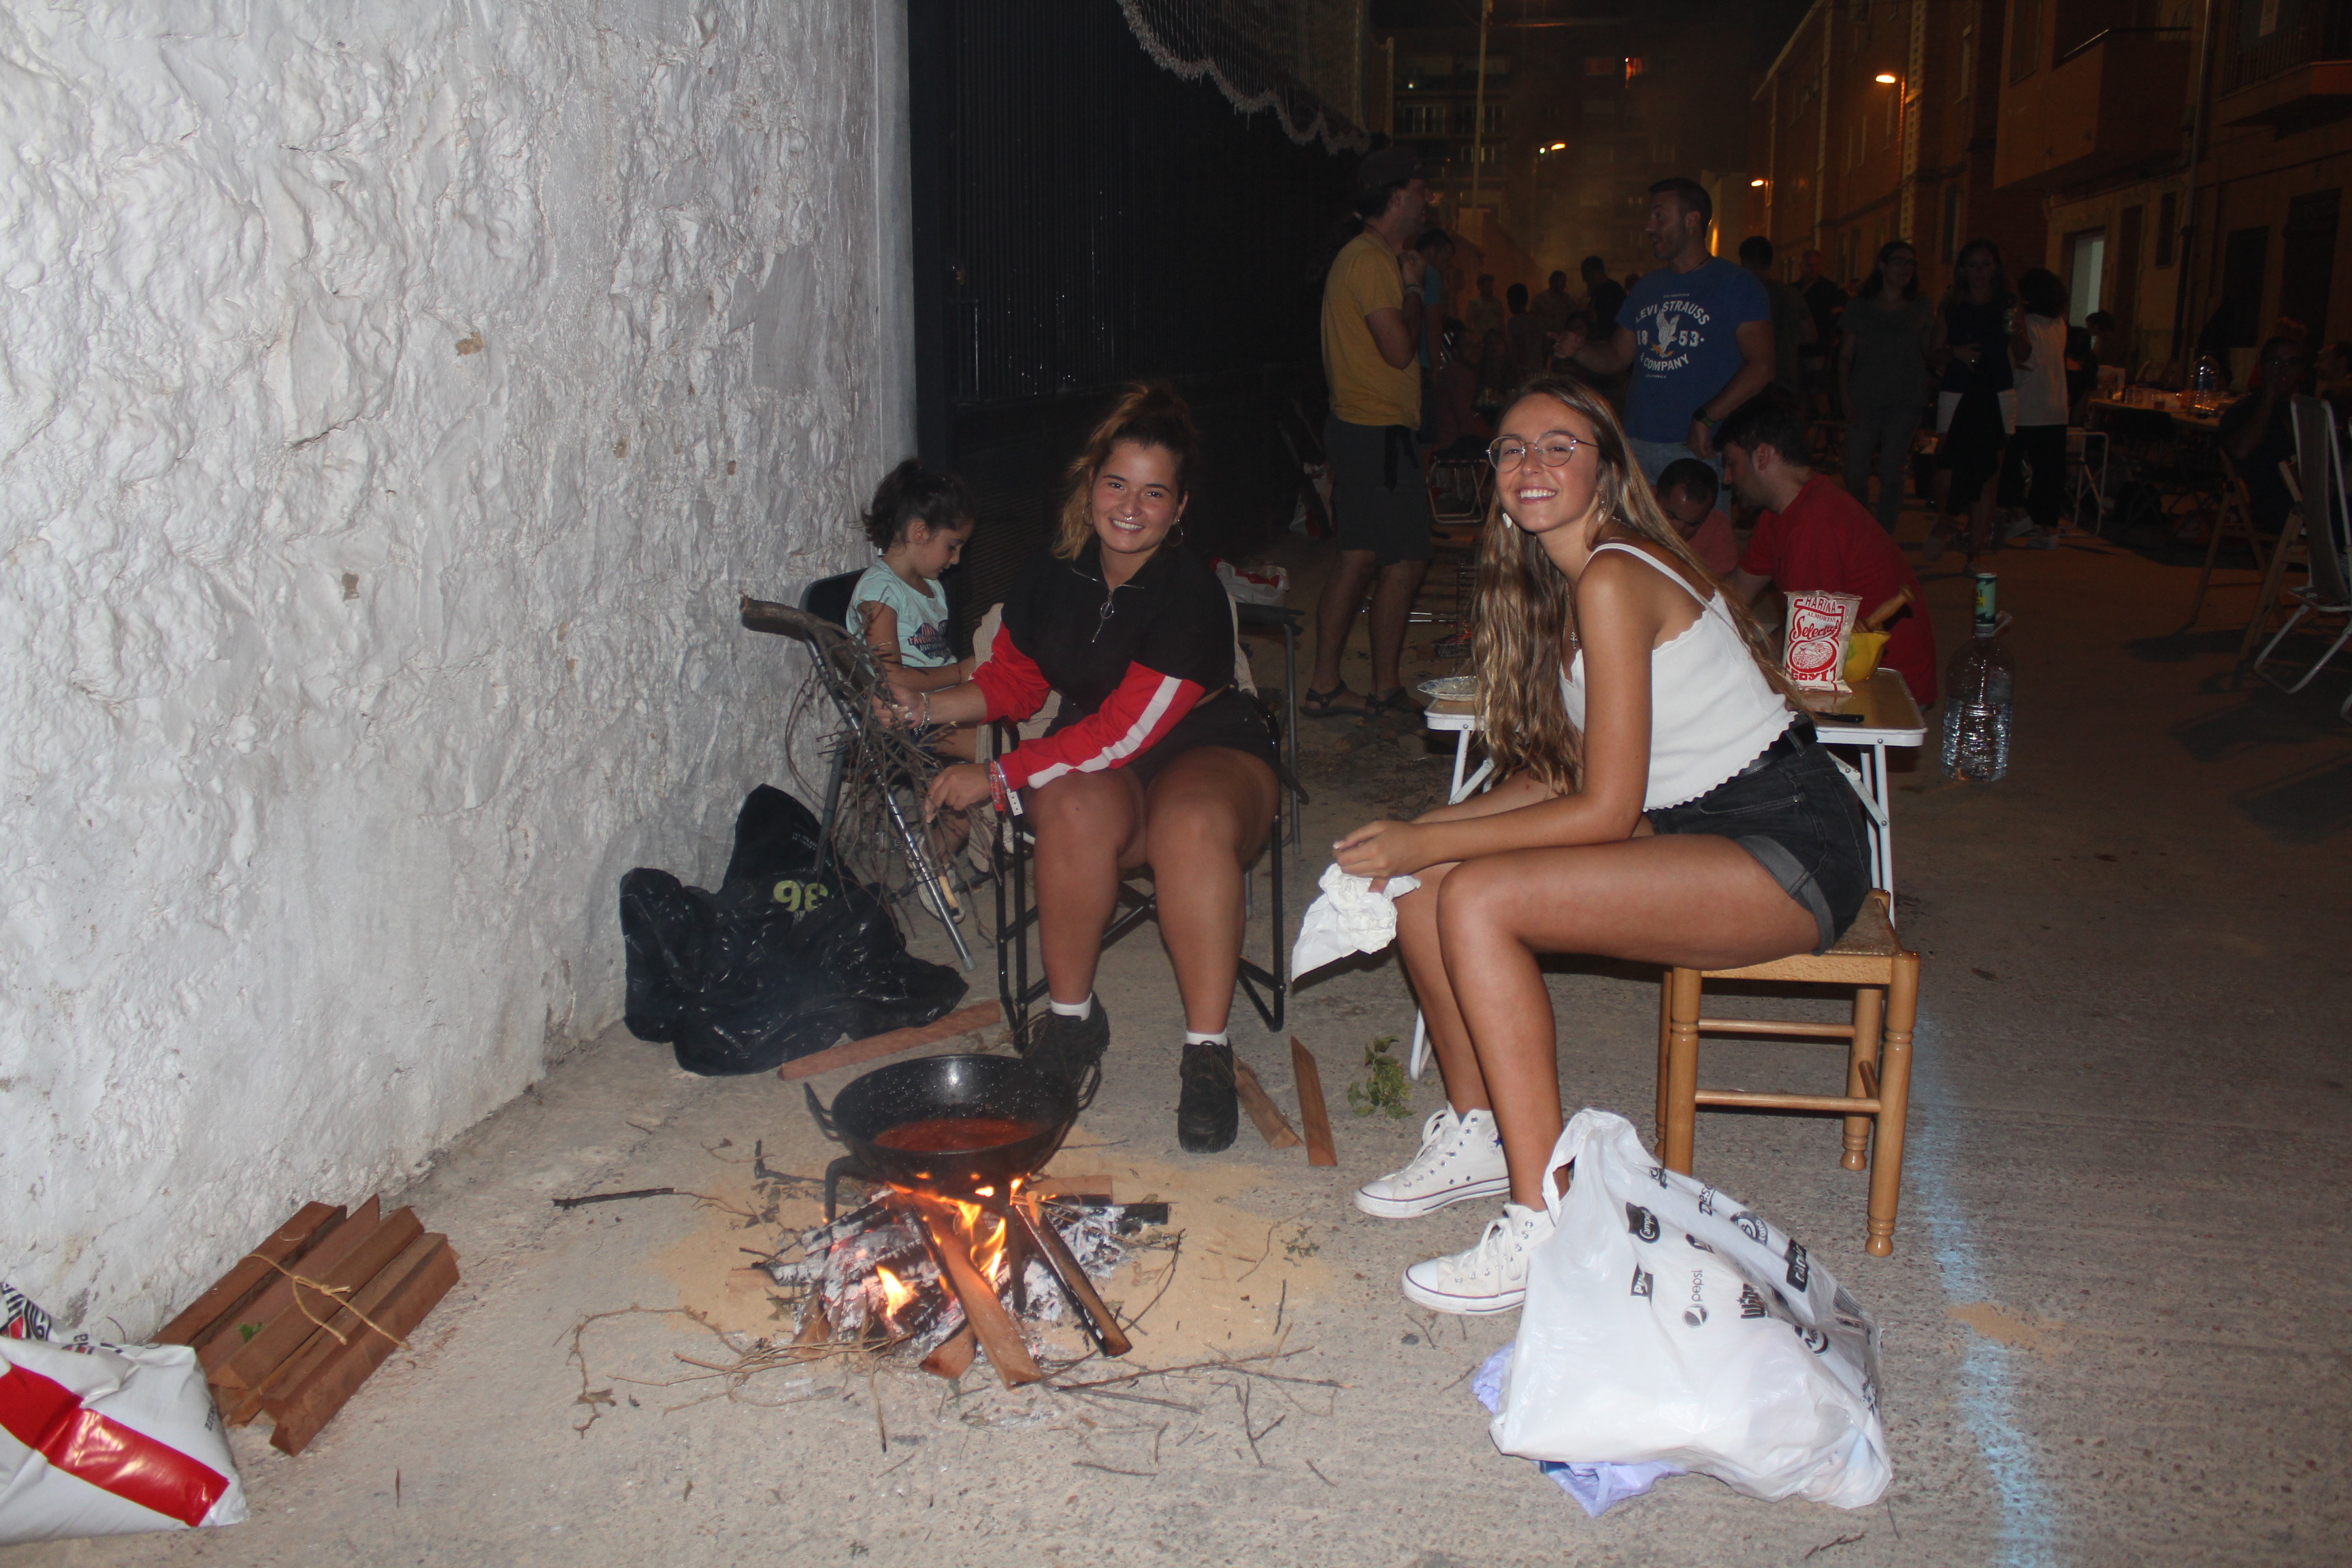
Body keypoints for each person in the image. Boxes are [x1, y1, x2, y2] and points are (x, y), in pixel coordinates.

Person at [1332, 375, 1870, 1311]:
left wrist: (1424, 844)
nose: (1530, 464)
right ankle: (1480, 1129)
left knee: (1478, 898)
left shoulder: (1616, 576)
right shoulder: (1572, 582)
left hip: (1788, 837)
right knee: (1429, 886)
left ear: (1607, 470)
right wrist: (1419, 837)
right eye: (1511, 448)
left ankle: (1545, 1215)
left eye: (1559, 446)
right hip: (1696, 822)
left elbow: (1605, 811)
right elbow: (1563, 776)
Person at [911, 385, 1281, 1153]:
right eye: (1117, 484)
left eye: (1154, 493)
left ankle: (1207, 1050)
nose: (1130, 507)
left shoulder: (1189, 593)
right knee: (1072, 806)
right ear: (1090, 486)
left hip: (1209, 749)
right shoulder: (1056, 574)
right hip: (1105, 760)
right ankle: (1072, 1023)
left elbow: (1123, 731)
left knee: (1190, 824)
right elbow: (1013, 683)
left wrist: (999, 776)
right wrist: (924, 710)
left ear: (1179, 508)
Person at [1309, 146, 1436, 724]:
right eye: (1421, 190)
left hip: (1362, 430)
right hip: (1376, 432)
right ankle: (1385, 690)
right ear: (1397, 196)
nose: (1428, 201)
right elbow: (1399, 349)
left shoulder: (1365, 255)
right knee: (1405, 560)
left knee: (1358, 556)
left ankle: (1325, 688)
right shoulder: (1370, 260)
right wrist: (1414, 289)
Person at [1720, 388, 1939, 705]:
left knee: (1738, 699)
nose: (1727, 478)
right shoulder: (1780, 512)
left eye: (1732, 464)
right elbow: (1734, 595)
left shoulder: (1815, 522)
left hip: (1888, 684)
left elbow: (1806, 647)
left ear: (1763, 456)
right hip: (1839, 660)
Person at [1560, 178, 1775, 485]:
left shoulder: (1737, 285)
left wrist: (1707, 417)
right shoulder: (1647, 287)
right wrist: (1579, 349)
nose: (1649, 227)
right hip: (1637, 444)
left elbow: (1762, 366)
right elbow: (1617, 356)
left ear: (1692, 221)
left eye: (1660, 216)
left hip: (1698, 448)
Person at [849, 459, 981, 760]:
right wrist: (960, 673)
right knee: (994, 744)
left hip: (939, 703)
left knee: (1019, 717)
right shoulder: (879, 592)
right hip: (904, 718)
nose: (957, 559)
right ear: (919, 532)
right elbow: (890, 678)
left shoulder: (931, 587)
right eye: (952, 546)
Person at [1923, 238, 2016, 563]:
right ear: (1963, 269)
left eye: (1986, 264)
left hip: (1998, 389)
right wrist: (1955, 353)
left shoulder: (2007, 302)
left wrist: (2019, 332)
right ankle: (1945, 519)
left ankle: (1974, 555)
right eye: (1973, 265)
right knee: (1947, 465)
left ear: (1996, 267)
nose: (1980, 272)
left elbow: (2024, 351)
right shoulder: (1953, 302)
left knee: (1989, 473)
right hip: (1959, 387)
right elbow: (1934, 351)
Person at [1838, 240, 1935, 534]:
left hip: (1905, 399)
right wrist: (1844, 395)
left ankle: (1884, 536)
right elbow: (1845, 356)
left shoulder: (1919, 307)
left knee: (1892, 471)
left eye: (1911, 263)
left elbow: (1929, 350)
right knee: (1855, 471)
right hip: (1865, 397)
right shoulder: (1861, 307)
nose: (1906, 268)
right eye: (1899, 261)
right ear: (1883, 265)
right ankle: (1863, 528)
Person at [1995, 267, 2073, 550]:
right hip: (2056, 407)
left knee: (2007, 464)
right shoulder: (2059, 325)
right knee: (2049, 472)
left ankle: (2019, 512)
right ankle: (2049, 529)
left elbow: (2025, 364)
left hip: (2025, 406)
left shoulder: (2026, 325)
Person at [2219, 336, 2310, 538]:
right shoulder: (2243, 411)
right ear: (2262, 367)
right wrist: (2269, 398)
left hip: (2311, 497)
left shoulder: (2304, 411)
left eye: (2292, 363)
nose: (2283, 370)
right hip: (2275, 503)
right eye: (2276, 362)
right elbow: (2241, 450)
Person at [1738, 235, 1814, 394]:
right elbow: (1810, 336)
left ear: (1746, 262)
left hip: (1748, 383)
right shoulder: (1792, 294)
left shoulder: (1741, 295)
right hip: (1786, 380)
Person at [1654, 457, 1740, 576]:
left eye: (1693, 524)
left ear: (1707, 515)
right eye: (1671, 516)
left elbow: (1721, 584)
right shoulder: (1632, 513)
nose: (1679, 531)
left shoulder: (1717, 527)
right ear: (1653, 496)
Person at [1428, 318, 1492, 458]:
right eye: (1468, 346)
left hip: (1452, 440)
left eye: (1478, 346)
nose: (1475, 351)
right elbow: (1465, 423)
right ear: (1456, 351)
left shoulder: (1462, 372)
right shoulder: (1458, 374)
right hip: (1452, 443)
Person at [1799, 249, 1849, 414]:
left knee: (1819, 392)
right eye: (1809, 265)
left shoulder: (1829, 289)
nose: (1813, 269)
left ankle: (1825, 424)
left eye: (1816, 265)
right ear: (1801, 267)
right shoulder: (1795, 289)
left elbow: (1838, 318)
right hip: (1798, 349)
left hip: (1819, 349)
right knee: (1801, 395)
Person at [1505, 280, 1545, 380]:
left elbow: (1520, 345)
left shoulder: (1515, 322)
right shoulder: (1536, 320)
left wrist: (1520, 367)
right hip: (1538, 365)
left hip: (1525, 368)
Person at [1580, 255, 1626, 337]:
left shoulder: (1615, 292)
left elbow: (1617, 320)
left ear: (1596, 273)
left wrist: (1597, 318)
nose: (1584, 279)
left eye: (1586, 275)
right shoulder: (1597, 291)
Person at [1529, 269, 1576, 341]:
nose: (1564, 285)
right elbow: (1533, 320)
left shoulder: (1568, 300)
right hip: (1545, 339)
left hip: (1563, 338)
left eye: (1565, 282)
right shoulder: (1541, 299)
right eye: (1562, 282)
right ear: (1554, 282)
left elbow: (1574, 316)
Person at [1465, 272, 1507, 344]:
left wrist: (1504, 338)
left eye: (1491, 286)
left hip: (1495, 340)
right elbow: (1469, 322)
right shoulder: (1474, 303)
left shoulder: (1497, 302)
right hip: (1480, 339)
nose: (1490, 289)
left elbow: (1501, 322)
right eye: (1487, 286)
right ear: (1480, 287)